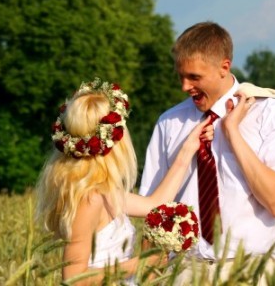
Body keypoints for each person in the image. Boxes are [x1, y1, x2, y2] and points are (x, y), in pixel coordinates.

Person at [138, 21, 275, 284]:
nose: (185, 86)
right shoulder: (169, 122)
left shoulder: (273, 113)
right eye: (180, 76)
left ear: (224, 67)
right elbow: (151, 210)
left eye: (194, 77)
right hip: (182, 270)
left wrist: (232, 133)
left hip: (248, 270)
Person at [35, 78, 214, 285]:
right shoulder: (90, 199)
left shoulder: (103, 190)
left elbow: (154, 205)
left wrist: (188, 149)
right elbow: (74, 278)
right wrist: (138, 264)